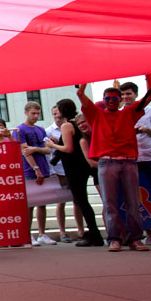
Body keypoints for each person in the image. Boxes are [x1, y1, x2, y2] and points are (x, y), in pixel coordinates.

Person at [77, 78, 151, 251]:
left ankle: (135, 239)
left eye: (114, 98)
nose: (111, 101)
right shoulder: (96, 113)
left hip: (128, 162)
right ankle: (114, 239)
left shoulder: (129, 112)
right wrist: (83, 78)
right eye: (108, 98)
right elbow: (80, 95)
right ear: (104, 100)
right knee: (109, 203)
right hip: (107, 162)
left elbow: (149, 97)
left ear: (120, 100)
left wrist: (150, 77)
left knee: (133, 202)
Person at [44, 99, 104, 247]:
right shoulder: (76, 123)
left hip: (73, 167)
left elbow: (68, 148)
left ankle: (94, 234)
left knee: (82, 201)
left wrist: (52, 145)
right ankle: (93, 232)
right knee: (82, 201)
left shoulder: (66, 125)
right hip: (83, 165)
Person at [120, 82, 151, 244]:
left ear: (136, 95)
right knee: (139, 196)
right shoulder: (120, 114)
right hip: (132, 159)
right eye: (123, 95)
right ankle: (148, 232)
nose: (125, 97)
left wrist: (145, 130)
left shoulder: (149, 111)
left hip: (150, 157)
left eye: (128, 94)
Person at [14, 101, 55, 246]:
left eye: (38, 113)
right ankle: (28, 233)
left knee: (42, 203)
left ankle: (42, 233)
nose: (36, 116)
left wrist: (36, 149)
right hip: (29, 170)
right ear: (26, 112)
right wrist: (36, 168)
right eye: (33, 113)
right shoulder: (19, 130)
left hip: (44, 168)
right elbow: (25, 151)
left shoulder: (41, 129)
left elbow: (48, 149)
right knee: (30, 204)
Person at [46, 105, 84, 242]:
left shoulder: (71, 126)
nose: (56, 116)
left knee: (77, 201)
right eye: (54, 113)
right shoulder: (49, 131)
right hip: (59, 170)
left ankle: (81, 229)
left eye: (58, 113)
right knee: (61, 202)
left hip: (72, 168)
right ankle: (62, 231)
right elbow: (48, 154)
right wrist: (51, 171)